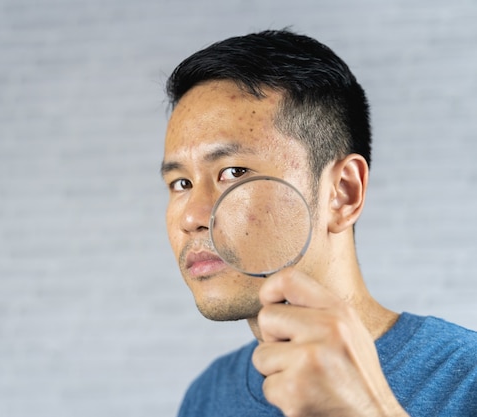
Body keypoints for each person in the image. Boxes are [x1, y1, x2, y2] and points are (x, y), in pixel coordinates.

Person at [160, 29, 477, 416]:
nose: (192, 217)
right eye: (181, 183)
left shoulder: (467, 380)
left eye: (234, 172)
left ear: (342, 193)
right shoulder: (207, 396)